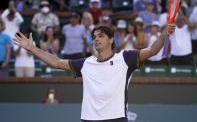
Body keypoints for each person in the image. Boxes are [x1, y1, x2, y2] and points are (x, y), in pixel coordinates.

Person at [14, 24, 176, 121]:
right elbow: (56, 62)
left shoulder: (126, 58)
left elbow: (153, 50)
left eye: (101, 36)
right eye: (94, 37)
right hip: (90, 119)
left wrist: (164, 34)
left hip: (116, 119)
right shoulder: (85, 63)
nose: (96, 39)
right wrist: (32, 48)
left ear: (111, 39)